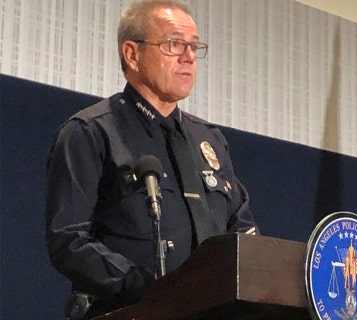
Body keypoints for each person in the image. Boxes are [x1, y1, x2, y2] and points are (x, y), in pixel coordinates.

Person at [45, 1, 258, 318]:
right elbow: (69, 241)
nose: (188, 56)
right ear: (132, 54)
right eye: (174, 44)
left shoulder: (210, 140)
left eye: (194, 46)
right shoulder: (91, 132)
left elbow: (242, 233)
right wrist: (148, 287)